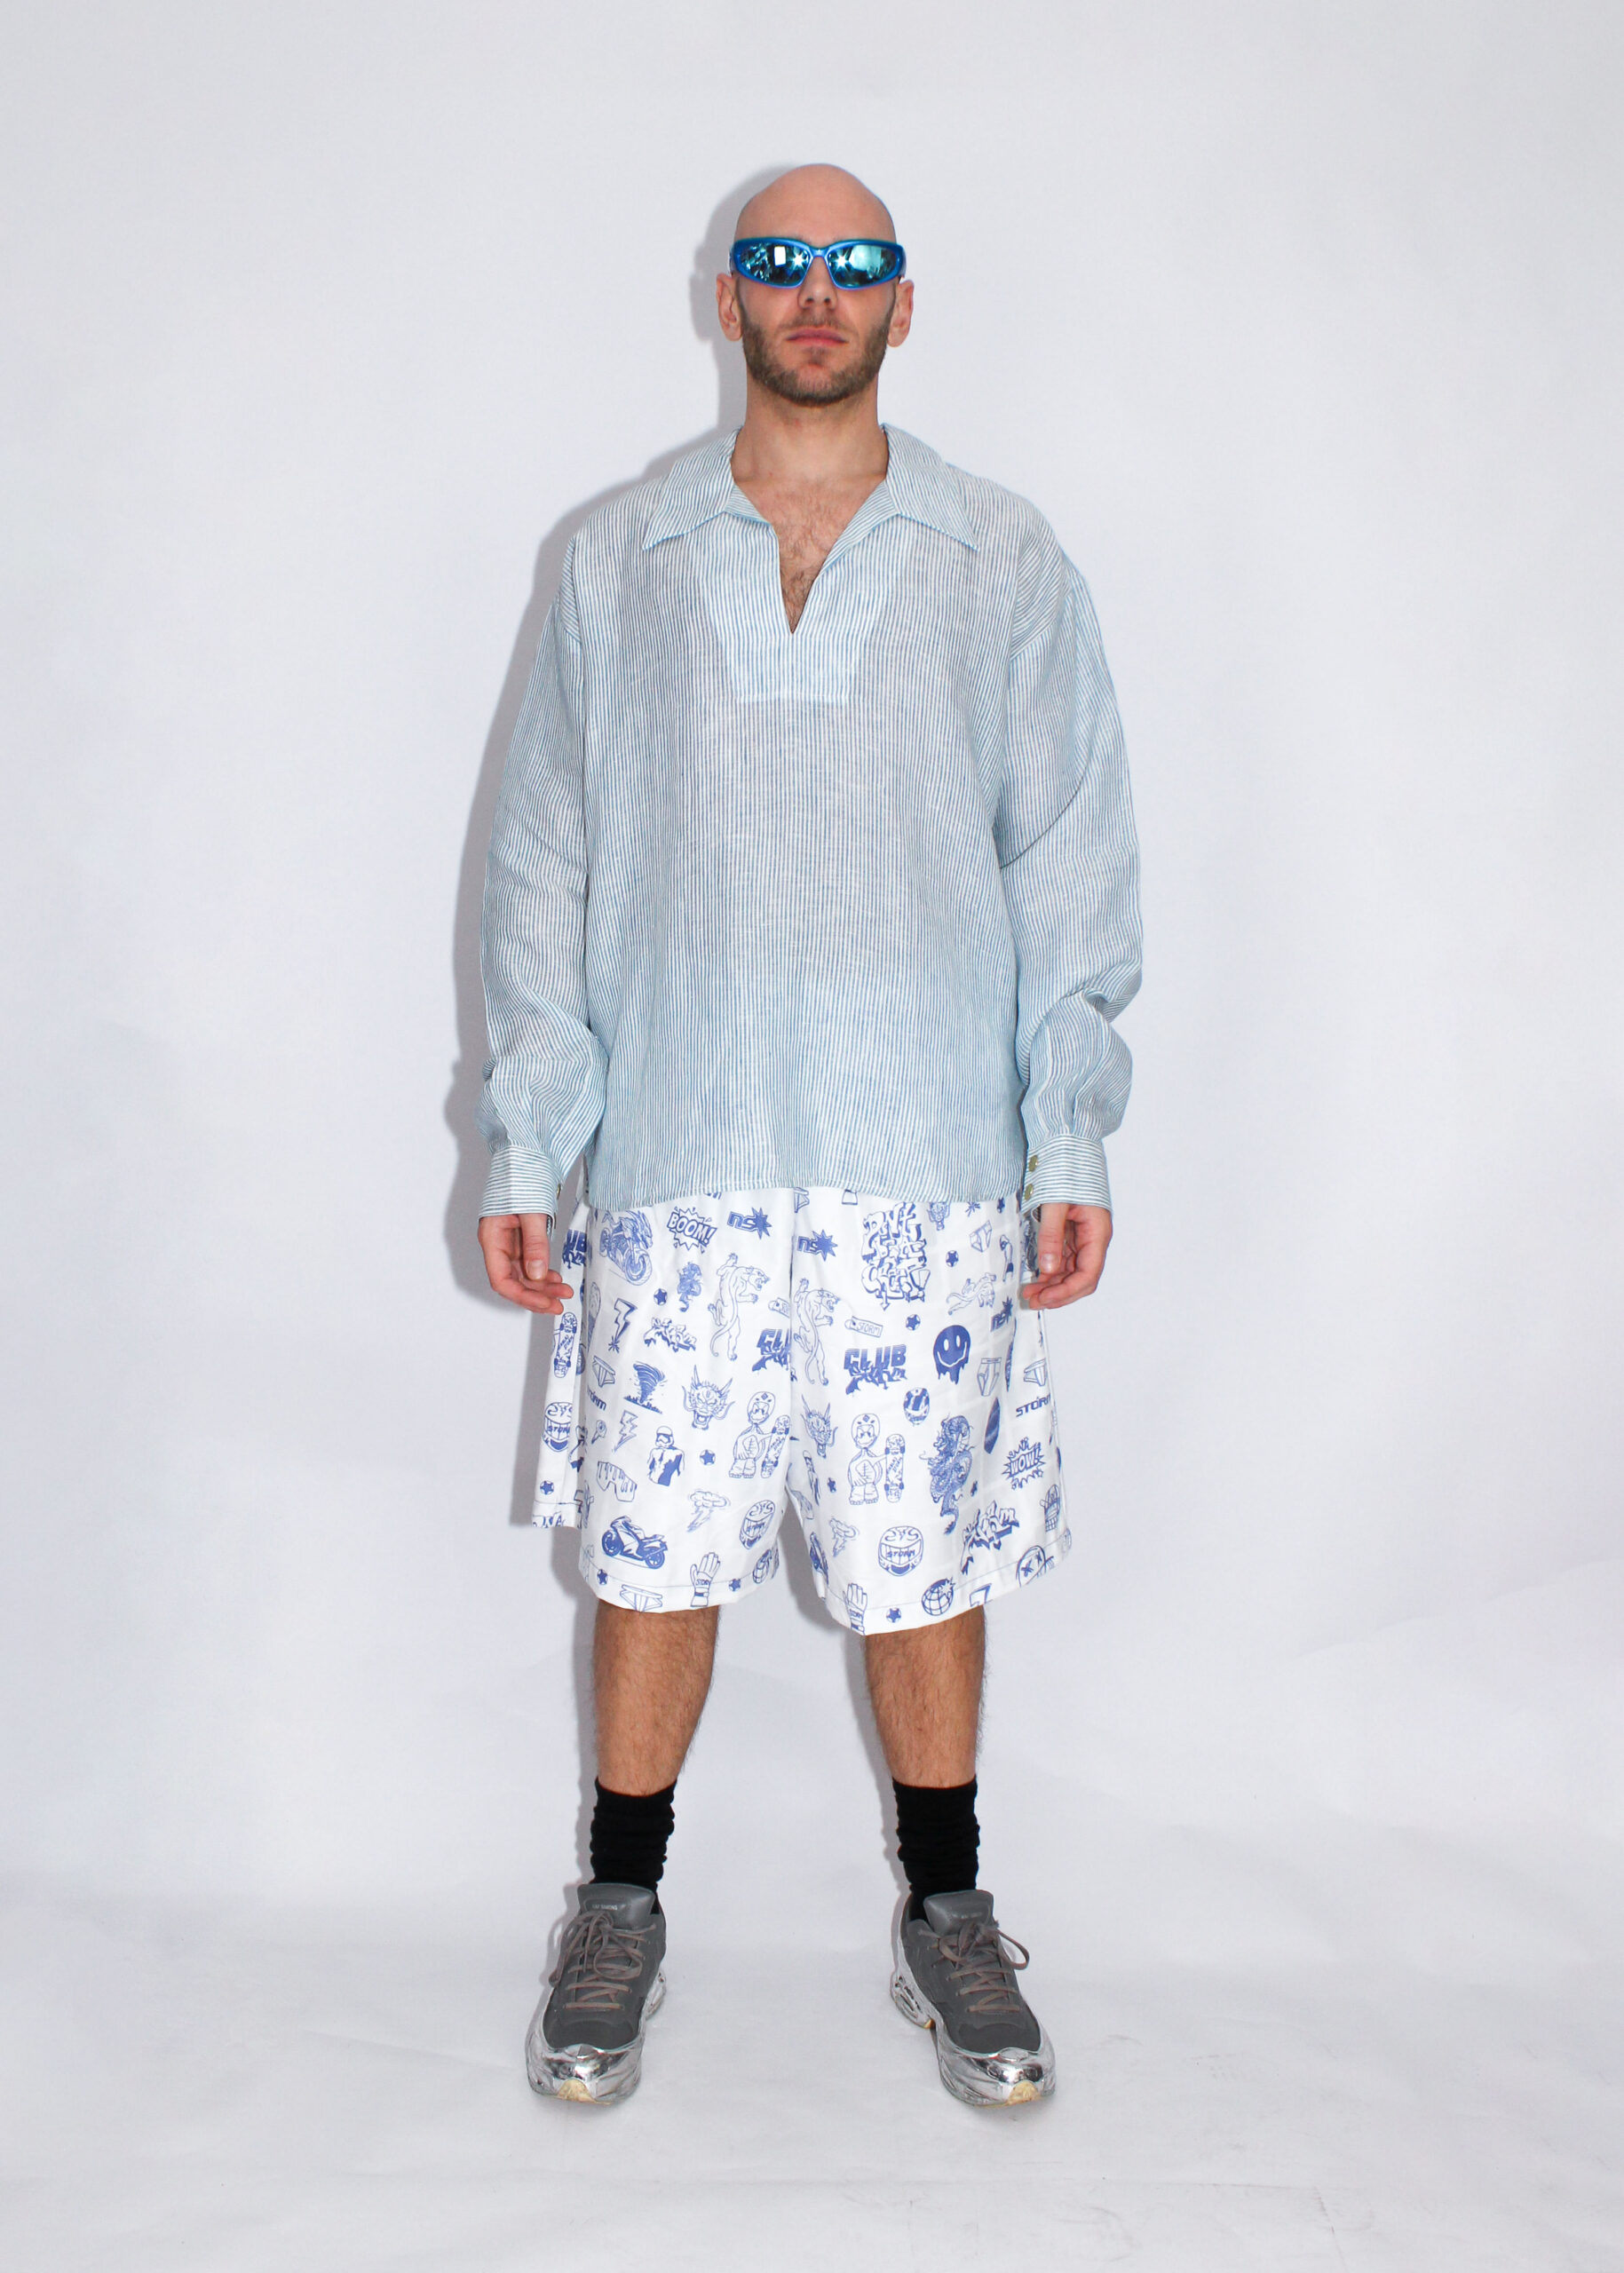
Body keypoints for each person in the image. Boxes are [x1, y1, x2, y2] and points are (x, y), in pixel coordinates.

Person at [475, 163, 1141, 2108]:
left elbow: (1068, 861)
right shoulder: (617, 560)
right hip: (678, 1146)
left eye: (854, 265)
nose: (816, 293)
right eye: (780, 262)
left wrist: (1065, 1136)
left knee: (923, 1555)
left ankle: (950, 1908)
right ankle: (619, 1901)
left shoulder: (998, 557)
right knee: (655, 1546)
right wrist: (532, 1137)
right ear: (729, 297)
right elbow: (543, 858)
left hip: (917, 1152)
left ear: (903, 304)